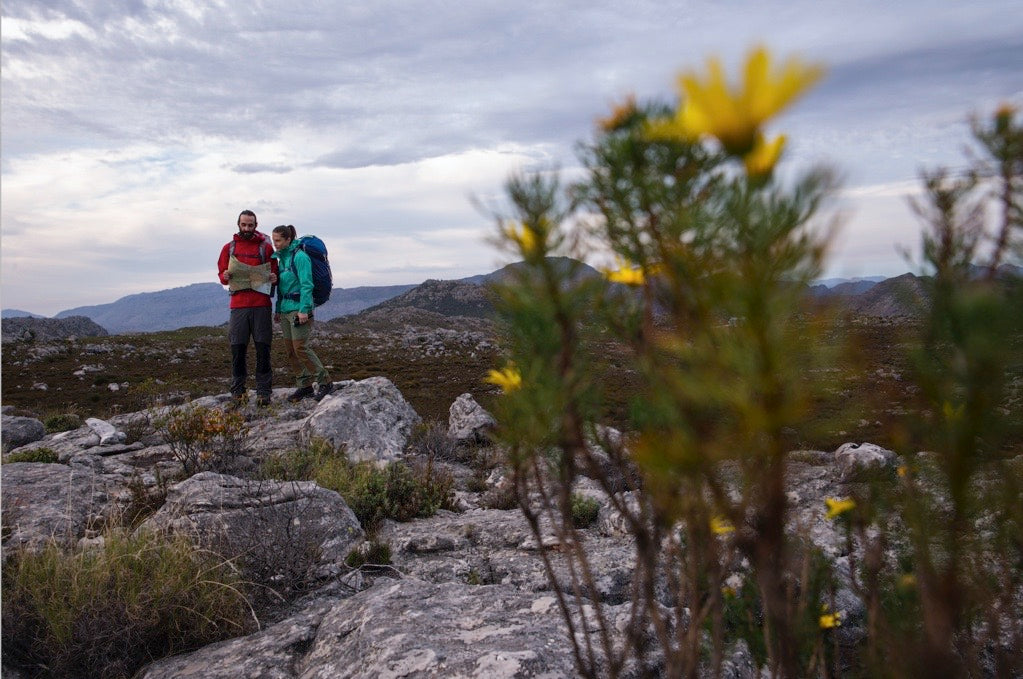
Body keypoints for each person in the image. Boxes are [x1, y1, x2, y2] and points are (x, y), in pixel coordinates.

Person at [217, 210, 278, 407]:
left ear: (256, 224)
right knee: (238, 349)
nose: (247, 229)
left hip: (261, 305)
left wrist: (274, 277)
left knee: (263, 349)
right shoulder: (229, 248)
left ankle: (263, 391)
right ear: (238, 224)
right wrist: (224, 276)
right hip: (238, 305)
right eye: (244, 225)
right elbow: (221, 273)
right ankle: (238, 392)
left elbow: (275, 270)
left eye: (250, 225)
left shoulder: (266, 248)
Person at [271, 224, 334, 401]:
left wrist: (304, 310)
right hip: (285, 310)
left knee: (301, 348)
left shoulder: (300, 257)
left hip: (299, 310)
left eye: (278, 240)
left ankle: (325, 382)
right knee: (292, 350)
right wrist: (278, 309)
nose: (275, 244)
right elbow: (283, 288)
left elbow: (307, 285)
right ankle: (304, 384)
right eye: (274, 239)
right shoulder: (282, 259)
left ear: (288, 239)